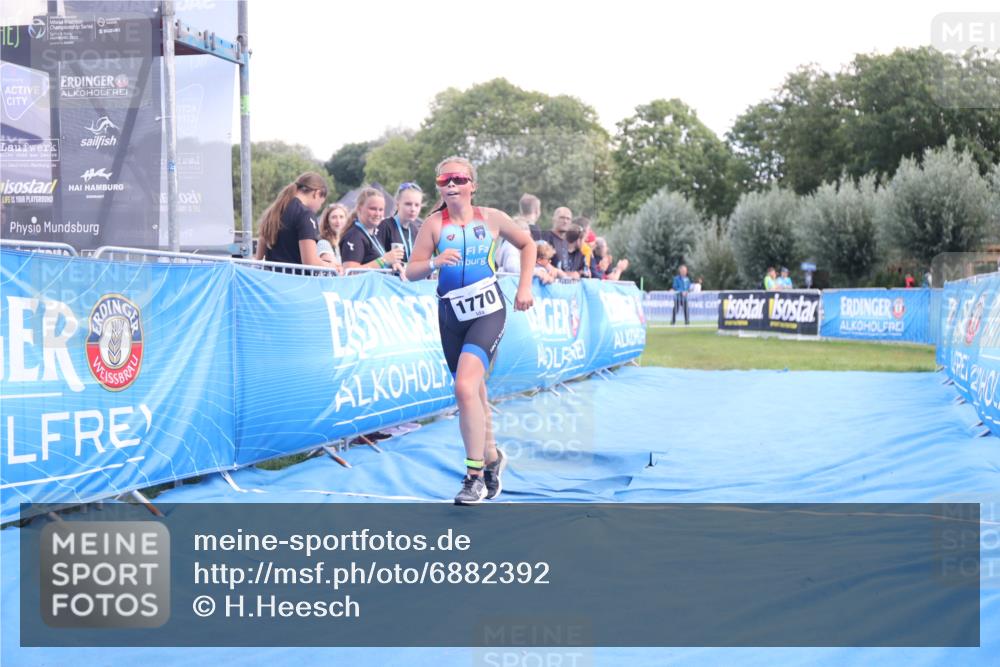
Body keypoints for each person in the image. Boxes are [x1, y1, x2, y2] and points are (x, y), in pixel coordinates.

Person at [405, 156, 535, 505]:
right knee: (474, 391)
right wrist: (434, 262)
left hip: (488, 311)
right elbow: (411, 271)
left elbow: (528, 244)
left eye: (459, 179)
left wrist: (525, 287)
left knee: (463, 387)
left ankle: (474, 477)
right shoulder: (434, 225)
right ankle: (491, 458)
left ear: (472, 186)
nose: (451, 184)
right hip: (451, 316)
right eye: (444, 180)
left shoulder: (491, 218)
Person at [254, 172, 329, 267]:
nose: (319, 207)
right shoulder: (306, 215)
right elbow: (310, 262)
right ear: (316, 193)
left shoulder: (273, 211)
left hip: (271, 274)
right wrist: (332, 266)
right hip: (295, 276)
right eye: (321, 203)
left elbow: (259, 257)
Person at [339, 187, 404, 272]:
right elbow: (350, 272)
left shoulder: (374, 234)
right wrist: (384, 260)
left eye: (381, 210)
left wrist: (391, 264)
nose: (377, 214)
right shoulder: (354, 236)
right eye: (373, 209)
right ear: (359, 209)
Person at [377, 182, 424, 264]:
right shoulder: (385, 226)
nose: (413, 209)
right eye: (408, 204)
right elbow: (375, 259)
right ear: (397, 203)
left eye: (417, 205)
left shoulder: (415, 231)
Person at [317, 203, 348, 273]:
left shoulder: (348, 242)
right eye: (334, 217)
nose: (338, 221)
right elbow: (337, 270)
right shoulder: (323, 243)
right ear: (327, 221)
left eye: (341, 217)